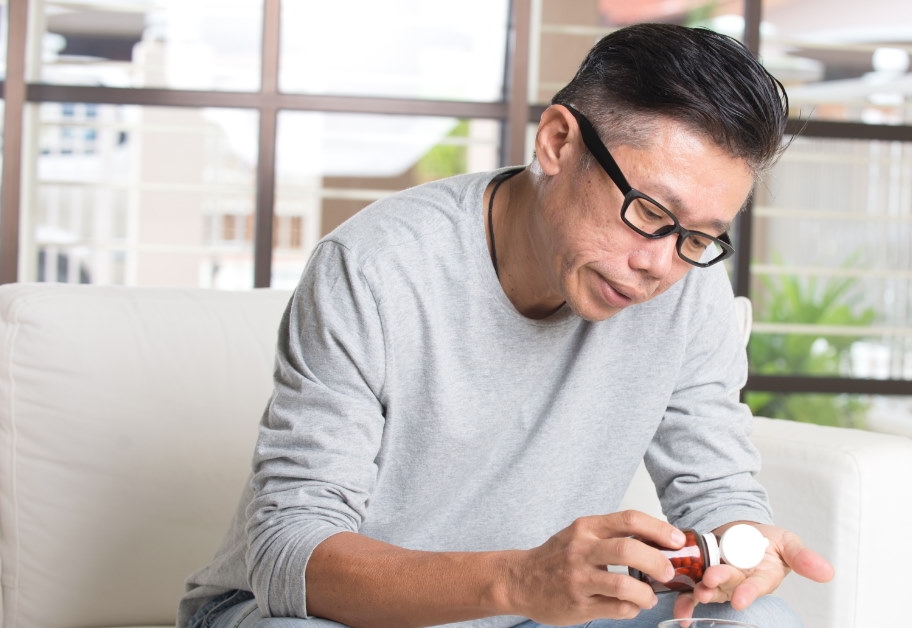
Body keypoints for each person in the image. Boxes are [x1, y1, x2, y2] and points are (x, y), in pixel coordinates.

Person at [179, 22, 834, 628]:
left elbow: (718, 493)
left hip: (531, 613)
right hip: (320, 614)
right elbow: (288, 553)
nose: (659, 265)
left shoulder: (690, 290)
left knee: (760, 621)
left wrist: (738, 549)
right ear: (557, 142)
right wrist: (519, 579)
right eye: (647, 211)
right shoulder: (373, 269)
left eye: (700, 237)